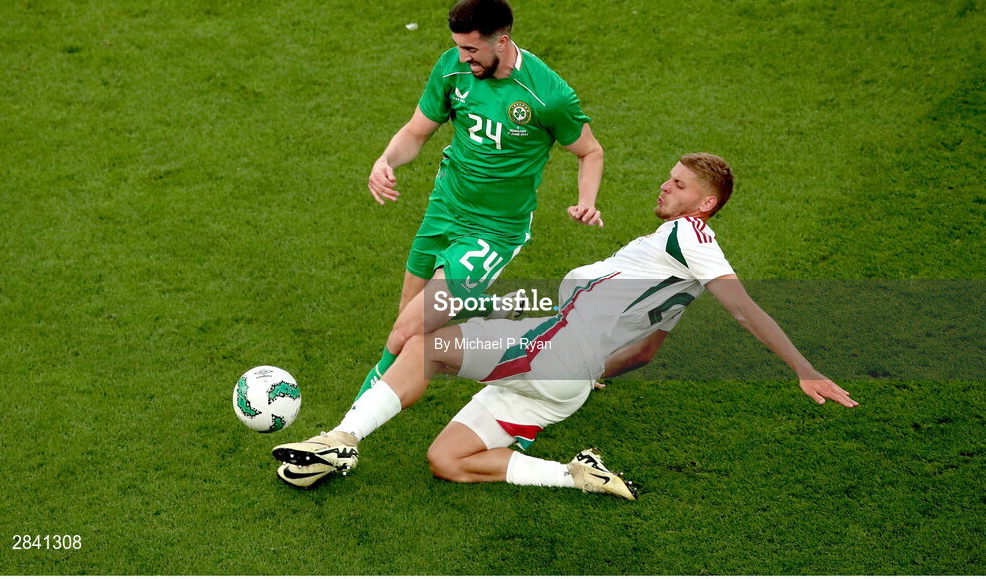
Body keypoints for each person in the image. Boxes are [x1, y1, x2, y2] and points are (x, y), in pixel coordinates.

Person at [276, 153, 858, 499]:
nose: (665, 185)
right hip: (566, 381)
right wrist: (588, 373)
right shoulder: (677, 267)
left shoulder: (692, 239)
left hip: (554, 350)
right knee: (446, 460)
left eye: (679, 184)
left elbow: (744, 308)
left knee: (427, 346)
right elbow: (646, 353)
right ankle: (577, 475)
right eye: (670, 177)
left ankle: (341, 442)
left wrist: (803, 371)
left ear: (704, 205)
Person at [354, 0, 606, 402]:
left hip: (493, 230)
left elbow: (590, 151)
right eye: (458, 47)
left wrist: (587, 200)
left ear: (501, 42)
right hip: (444, 210)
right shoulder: (453, 68)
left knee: (406, 332)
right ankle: (498, 316)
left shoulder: (547, 95)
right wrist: (386, 161)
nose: (463, 57)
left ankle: (347, 430)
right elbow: (417, 131)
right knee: (409, 322)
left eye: (471, 49)